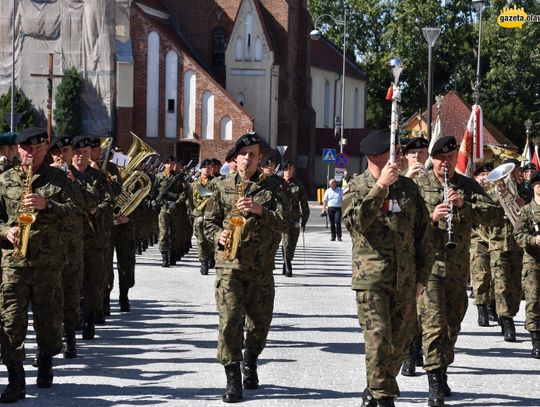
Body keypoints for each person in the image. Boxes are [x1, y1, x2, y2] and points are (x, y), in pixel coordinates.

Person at [342, 129, 432, 407]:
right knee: (378, 342)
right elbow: (355, 224)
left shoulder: (409, 189)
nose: (401, 156)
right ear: (375, 156)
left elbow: (423, 235)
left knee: (401, 342)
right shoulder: (356, 187)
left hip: (405, 280)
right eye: (394, 151)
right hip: (372, 280)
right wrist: (379, 187)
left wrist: (422, 277)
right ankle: (383, 398)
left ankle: (375, 388)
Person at [414, 136, 499, 407]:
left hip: (458, 267)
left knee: (452, 322)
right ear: (433, 159)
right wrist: (432, 218)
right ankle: (435, 379)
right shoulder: (418, 186)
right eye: (441, 159)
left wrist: (464, 205)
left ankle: (442, 365)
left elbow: (494, 215)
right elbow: (403, 225)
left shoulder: (466, 186)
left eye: (450, 159)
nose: (446, 163)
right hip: (428, 267)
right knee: (434, 323)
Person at [205, 132, 289, 403]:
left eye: (253, 154)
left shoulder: (274, 187)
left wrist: (260, 210)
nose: (248, 159)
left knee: (259, 324)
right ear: (235, 158)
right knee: (229, 321)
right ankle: (233, 380)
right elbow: (204, 222)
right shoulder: (220, 186)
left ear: (260, 158)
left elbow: (287, 222)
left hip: (261, 266)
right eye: (244, 154)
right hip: (229, 265)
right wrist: (217, 234)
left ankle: (250, 359)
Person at [0, 127, 77, 400]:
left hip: (48, 262)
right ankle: (15, 379)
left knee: (48, 318)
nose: (31, 153)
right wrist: (5, 232)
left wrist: (48, 206)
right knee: (10, 320)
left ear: (45, 148)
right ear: (18, 149)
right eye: (25, 148)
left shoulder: (59, 179)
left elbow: (75, 215)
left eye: (37, 148)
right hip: (13, 262)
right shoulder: (5, 179)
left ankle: (45, 361)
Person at [514, 169, 540, 359]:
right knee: (533, 300)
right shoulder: (527, 211)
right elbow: (518, 235)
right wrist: (533, 240)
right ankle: (536, 340)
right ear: (533, 187)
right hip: (533, 262)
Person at [469, 162, 496, 327]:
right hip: (476, 239)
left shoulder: (495, 193)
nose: (485, 179)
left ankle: (492, 306)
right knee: (481, 274)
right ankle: (481, 309)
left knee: (494, 275)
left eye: (488, 176)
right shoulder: (471, 194)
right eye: (481, 175)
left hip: (495, 239)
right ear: (475, 177)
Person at [281, 160, 309, 277]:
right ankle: (288, 266)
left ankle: (286, 262)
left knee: (293, 240)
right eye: (287, 169)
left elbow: (304, 203)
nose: (289, 171)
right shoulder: (278, 183)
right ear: (283, 170)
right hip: (282, 216)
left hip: (295, 217)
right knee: (286, 240)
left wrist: (305, 220)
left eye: (291, 169)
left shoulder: (298, 184)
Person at [190, 158, 215, 275]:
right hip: (199, 215)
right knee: (201, 240)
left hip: (211, 216)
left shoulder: (216, 183)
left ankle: (211, 257)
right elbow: (190, 200)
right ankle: (203, 261)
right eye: (205, 167)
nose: (207, 169)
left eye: (209, 167)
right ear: (200, 169)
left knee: (211, 240)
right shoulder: (195, 184)